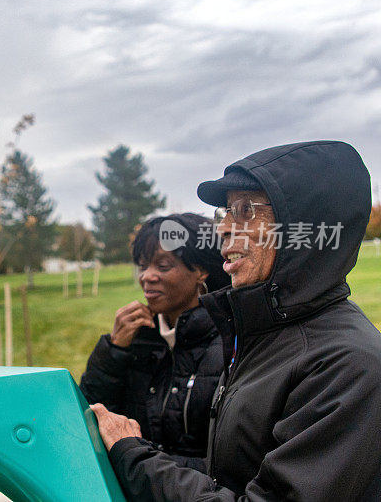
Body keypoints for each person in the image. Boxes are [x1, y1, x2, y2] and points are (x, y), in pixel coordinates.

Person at [92, 140, 381, 501]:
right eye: (225, 212)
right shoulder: (259, 333)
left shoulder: (348, 365)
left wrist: (134, 456)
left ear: (303, 227)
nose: (224, 229)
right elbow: (228, 474)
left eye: (245, 210)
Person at [80, 214, 231, 472]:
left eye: (162, 266)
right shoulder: (140, 336)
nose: (146, 277)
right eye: (142, 266)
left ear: (201, 270)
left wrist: (137, 459)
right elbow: (93, 417)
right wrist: (114, 350)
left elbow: (230, 465)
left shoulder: (231, 341)